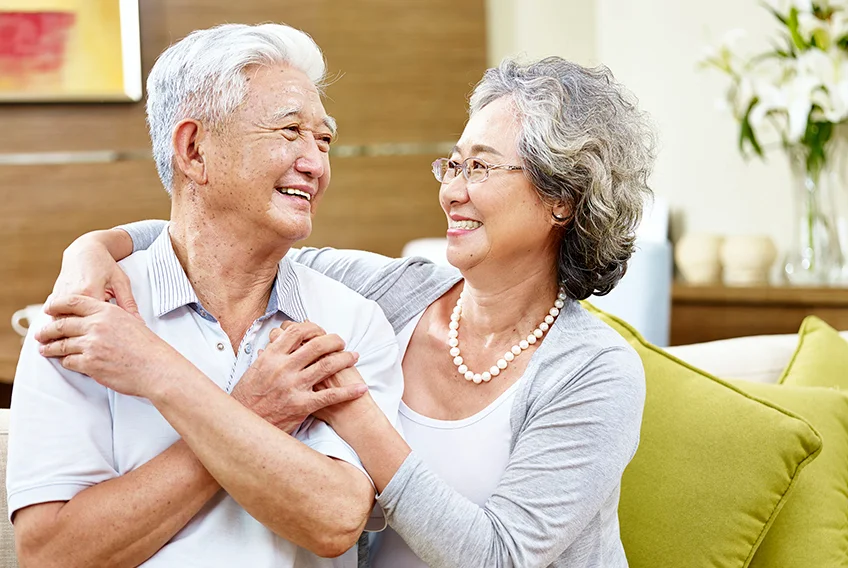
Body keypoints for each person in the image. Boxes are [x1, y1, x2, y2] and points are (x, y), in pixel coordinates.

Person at [43, 56, 656, 567]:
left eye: (482, 167)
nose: (452, 190)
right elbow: (217, 233)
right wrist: (94, 247)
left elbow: (497, 557)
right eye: (455, 163)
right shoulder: (392, 292)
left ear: (562, 200)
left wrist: (356, 411)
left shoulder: (595, 372)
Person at [6, 23, 405, 568]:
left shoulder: (349, 322)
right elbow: (49, 554)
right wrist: (255, 413)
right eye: (290, 132)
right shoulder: (87, 313)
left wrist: (159, 373)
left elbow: (335, 519)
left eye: (324, 139)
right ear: (193, 150)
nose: (316, 163)